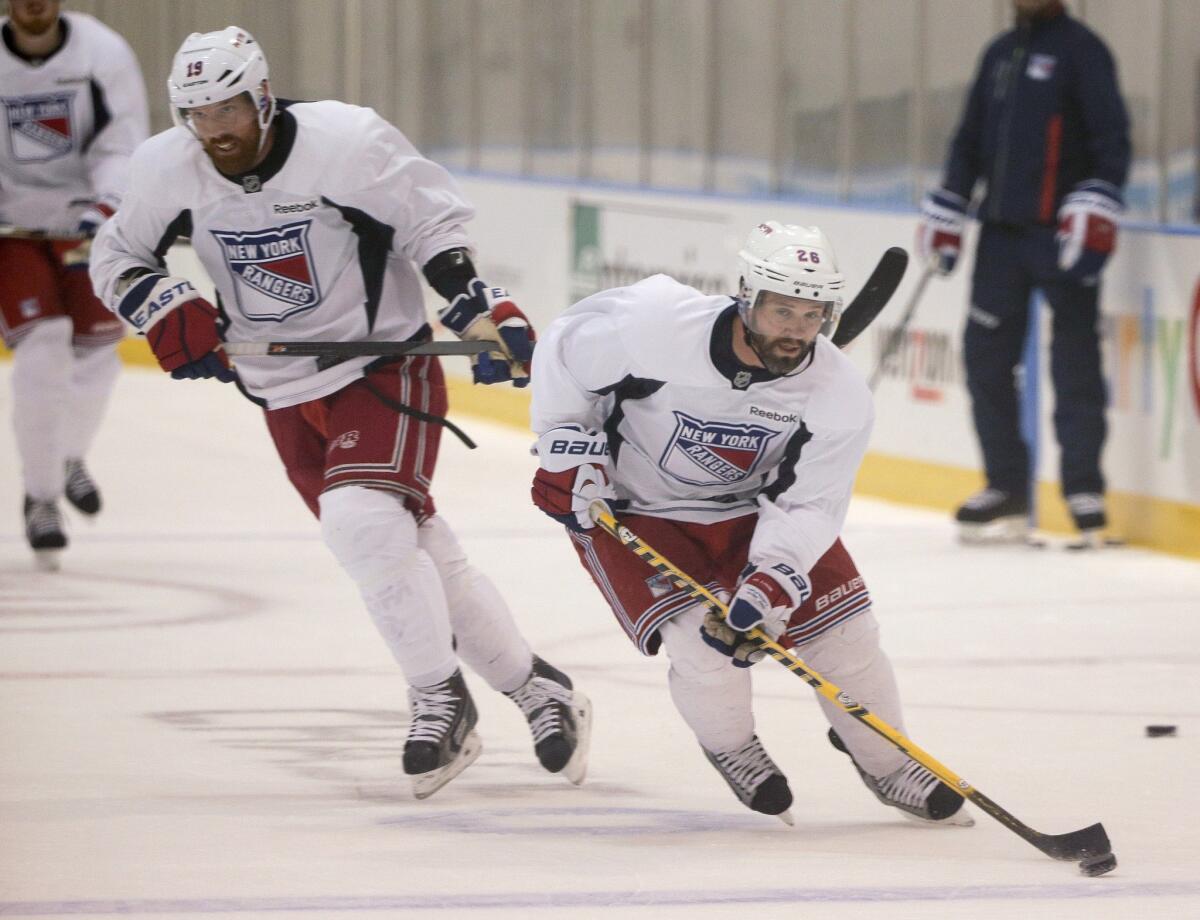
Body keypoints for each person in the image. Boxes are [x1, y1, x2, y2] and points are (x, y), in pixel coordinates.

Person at [89, 26, 591, 800]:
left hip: (381, 365)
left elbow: (429, 225)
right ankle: (538, 691)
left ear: (260, 95)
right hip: (280, 390)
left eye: (227, 107)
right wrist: (162, 303)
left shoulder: (346, 142)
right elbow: (117, 256)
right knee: (408, 550)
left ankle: (438, 699)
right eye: (196, 113)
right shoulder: (169, 166)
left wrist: (475, 304)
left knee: (362, 524)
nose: (214, 128)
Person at [529, 220, 971, 827]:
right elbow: (565, 349)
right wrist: (566, 447)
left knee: (847, 640)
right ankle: (734, 748)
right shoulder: (659, 325)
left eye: (812, 314)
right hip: (636, 509)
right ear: (746, 296)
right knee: (703, 651)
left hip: (751, 512)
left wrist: (773, 579)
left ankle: (888, 763)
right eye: (782, 310)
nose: (796, 329)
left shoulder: (837, 392)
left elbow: (812, 502)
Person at [917, 0, 1131, 544]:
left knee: (1074, 362)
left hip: (1062, 238)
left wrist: (1096, 201)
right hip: (1001, 239)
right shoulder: (999, 54)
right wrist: (951, 202)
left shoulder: (1083, 51)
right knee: (986, 359)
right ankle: (1006, 484)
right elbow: (968, 141)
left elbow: (1114, 140)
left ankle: (1085, 489)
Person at [0, 0, 149, 570]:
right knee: (43, 348)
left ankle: (68, 457)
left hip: (86, 218)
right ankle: (40, 498)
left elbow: (122, 140)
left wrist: (105, 205)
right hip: (12, 229)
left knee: (99, 350)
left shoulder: (101, 51)